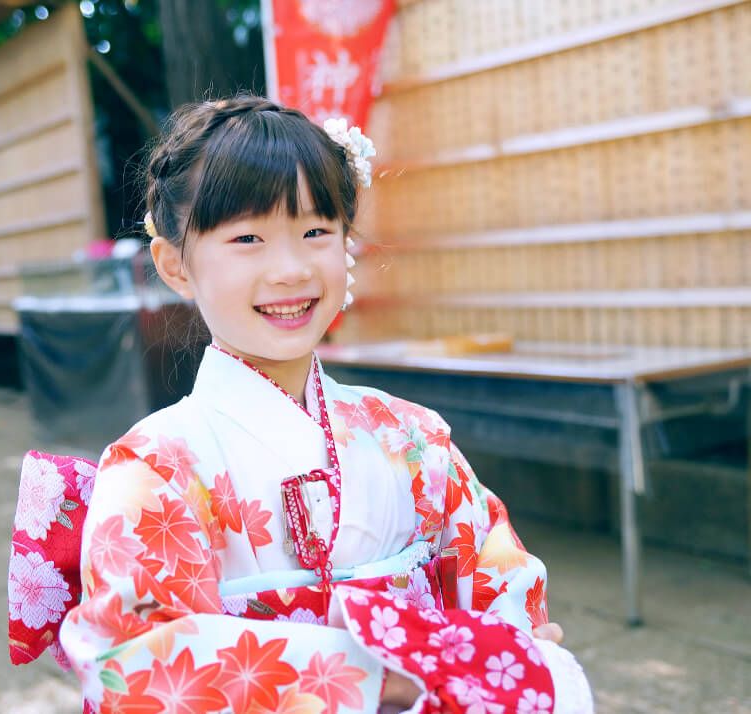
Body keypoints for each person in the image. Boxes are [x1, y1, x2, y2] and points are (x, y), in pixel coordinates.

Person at [57, 96, 592, 713]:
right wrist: (381, 677)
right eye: (248, 237)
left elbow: (502, 579)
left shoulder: (413, 436)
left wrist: (512, 653)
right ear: (175, 264)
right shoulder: (153, 468)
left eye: (315, 232)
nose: (290, 269)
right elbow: (133, 661)